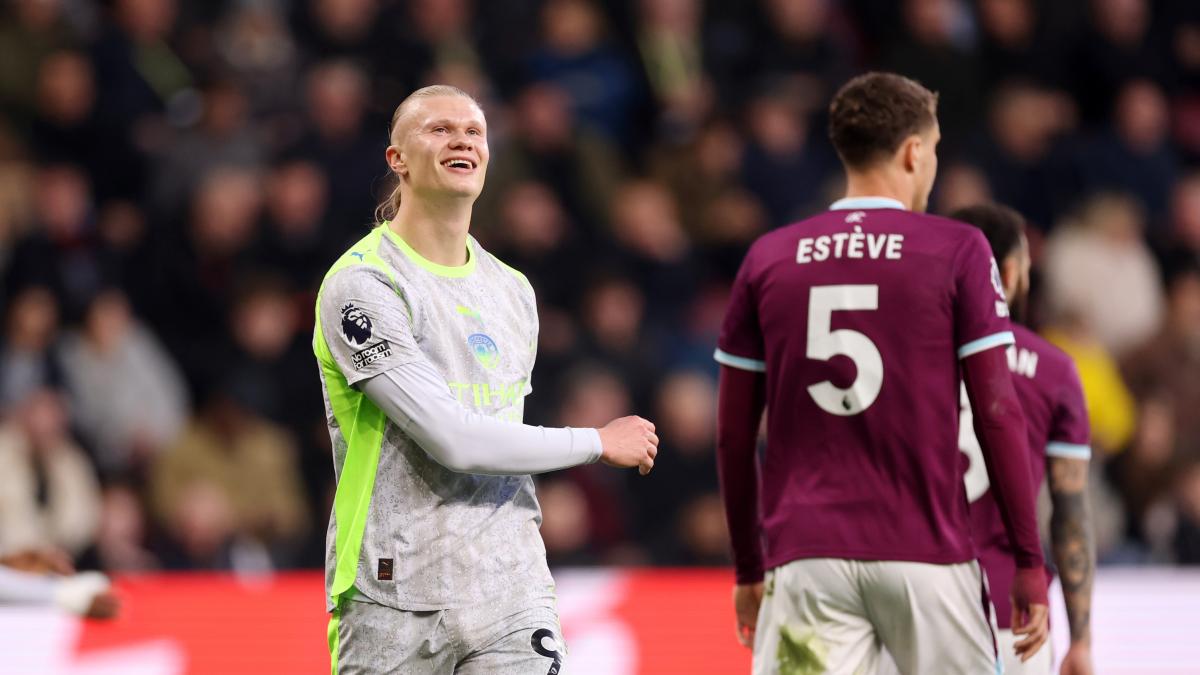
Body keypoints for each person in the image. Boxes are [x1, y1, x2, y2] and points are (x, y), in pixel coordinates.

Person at [313, 84, 658, 673]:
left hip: (511, 587)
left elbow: (503, 431)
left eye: (474, 131)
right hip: (392, 594)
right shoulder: (363, 287)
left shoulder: (512, 290)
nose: (462, 141)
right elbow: (454, 440)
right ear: (397, 158)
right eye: (440, 129)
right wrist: (596, 442)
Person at [714, 72, 1049, 674]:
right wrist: (1028, 557)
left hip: (807, 558)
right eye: (935, 150)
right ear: (914, 152)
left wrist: (748, 565)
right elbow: (998, 413)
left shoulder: (769, 257)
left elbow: (735, 436)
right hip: (927, 553)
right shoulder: (958, 248)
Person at [951, 203, 1095, 675]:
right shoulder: (1054, 371)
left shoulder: (911, 362)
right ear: (1010, 274)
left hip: (922, 604)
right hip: (1017, 616)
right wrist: (1081, 639)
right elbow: (1070, 514)